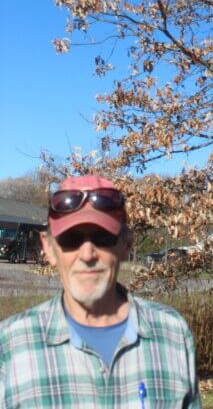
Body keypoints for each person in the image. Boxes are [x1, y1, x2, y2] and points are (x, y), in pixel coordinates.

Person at [0, 174, 201, 408]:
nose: (87, 255)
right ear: (49, 248)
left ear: (126, 245)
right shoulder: (10, 344)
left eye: (103, 238)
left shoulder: (173, 335)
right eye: (71, 239)